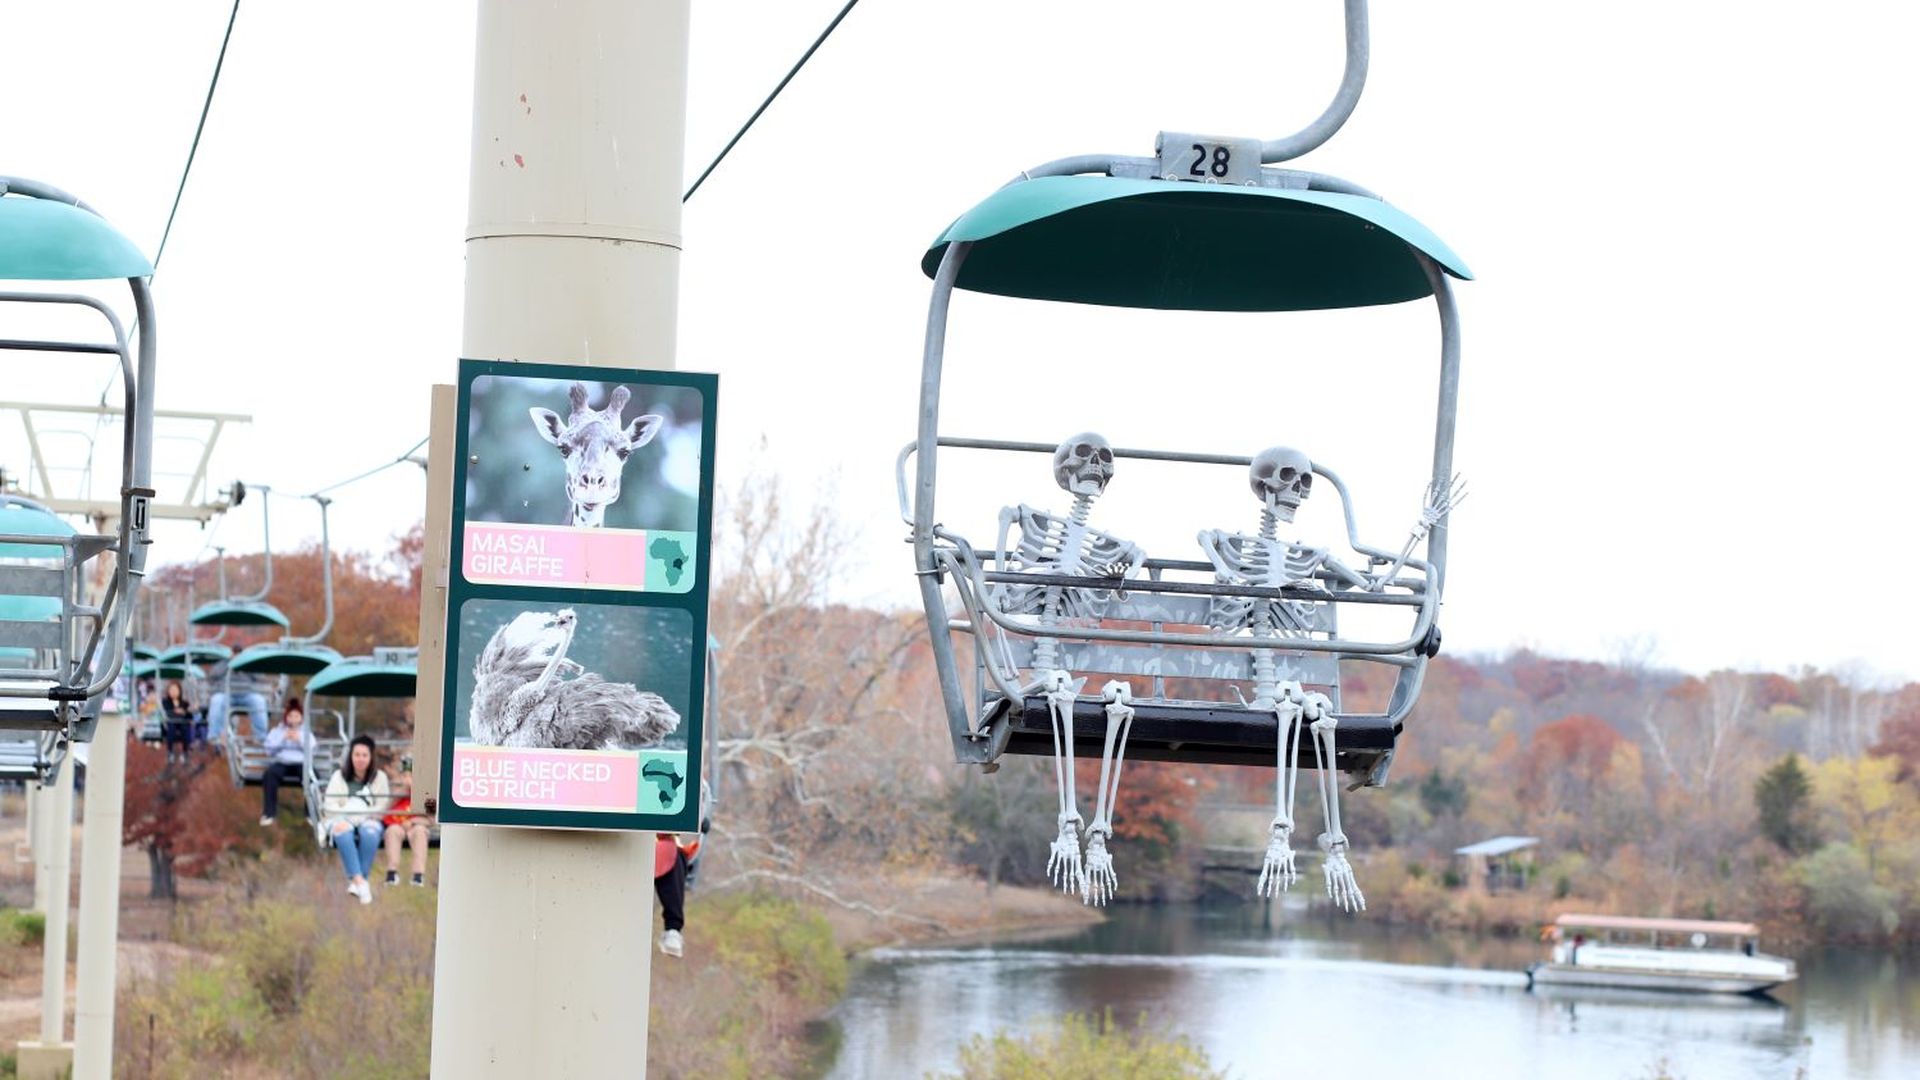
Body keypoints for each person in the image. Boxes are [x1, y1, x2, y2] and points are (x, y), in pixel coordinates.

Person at [323, 734, 391, 904]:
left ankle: (356, 881)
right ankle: (361, 881)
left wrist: (359, 816)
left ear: (371, 757)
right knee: (342, 830)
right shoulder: (339, 777)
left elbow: (382, 806)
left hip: (368, 818)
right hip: (342, 817)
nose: (360, 759)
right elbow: (330, 805)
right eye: (356, 755)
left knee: (370, 831)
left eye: (364, 755)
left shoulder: (379, 778)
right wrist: (349, 815)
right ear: (351, 756)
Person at [259, 702, 315, 826]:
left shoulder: (306, 732)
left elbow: (312, 749)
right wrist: (282, 738)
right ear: (286, 717)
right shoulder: (277, 731)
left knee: (311, 778)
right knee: (270, 775)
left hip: (301, 763)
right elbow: (268, 749)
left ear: (301, 718)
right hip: (282, 762)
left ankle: (311, 813)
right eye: (291, 716)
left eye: (297, 716)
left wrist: (299, 740)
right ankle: (269, 813)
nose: (293, 719)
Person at [381, 761, 432, 887]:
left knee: (420, 832)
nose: (408, 780)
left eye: (411, 777)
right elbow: (386, 809)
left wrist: (413, 821)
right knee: (392, 831)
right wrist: (403, 790)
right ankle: (392, 871)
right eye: (405, 776)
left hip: (416, 825)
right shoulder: (397, 792)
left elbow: (431, 818)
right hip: (397, 824)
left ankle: (418, 874)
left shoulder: (425, 794)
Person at [159, 680, 196, 764]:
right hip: (170, 723)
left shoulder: (184, 703)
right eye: (171, 690)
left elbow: (189, 715)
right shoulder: (166, 702)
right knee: (171, 726)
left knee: (185, 727)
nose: (173, 692)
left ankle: (185, 752)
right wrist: (176, 712)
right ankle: (170, 752)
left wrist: (184, 712)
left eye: (175, 690)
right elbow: (167, 712)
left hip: (182, 724)